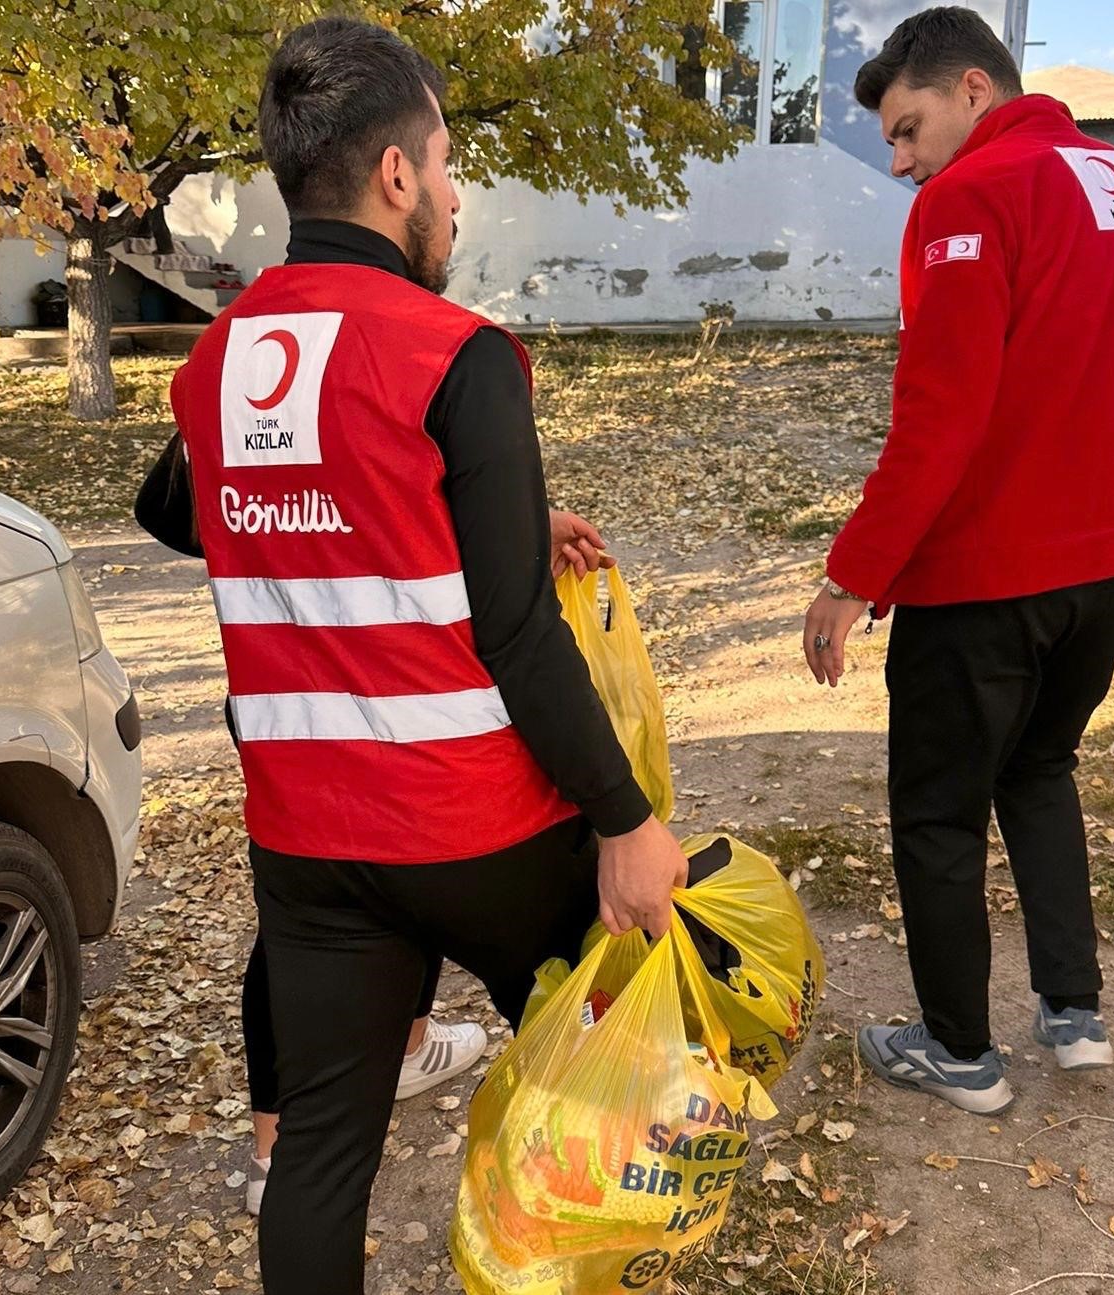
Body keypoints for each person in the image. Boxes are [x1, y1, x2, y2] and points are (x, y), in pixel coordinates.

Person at [164, 17, 689, 1290]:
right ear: (398, 175)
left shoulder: (220, 361)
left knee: (324, 1153)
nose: (454, 197)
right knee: (590, 1080)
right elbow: (516, 630)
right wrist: (623, 817)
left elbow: (175, 505)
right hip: (481, 831)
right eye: (448, 167)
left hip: (307, 844)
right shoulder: (457, 352)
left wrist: (458, 514)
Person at [801, 7, 1114, 1115]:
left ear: (973, 92)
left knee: (938, 808)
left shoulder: (974, 197)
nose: (902, 163)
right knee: (1039, 765)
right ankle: (1074, 1010)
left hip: (1000, 564)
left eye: (908, 131)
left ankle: (959, 1049)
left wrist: (851, 575)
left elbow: (940, 413)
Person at [135, 434, 619, 1217]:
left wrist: (519, 525)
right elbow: (171, 506)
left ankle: (348, 1091)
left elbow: (377, 495)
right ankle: (291, 1141)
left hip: (295, 688)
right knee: (370, 881)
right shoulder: (396, 345)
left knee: (343, 887)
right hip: (367, 687)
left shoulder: (267, 350)